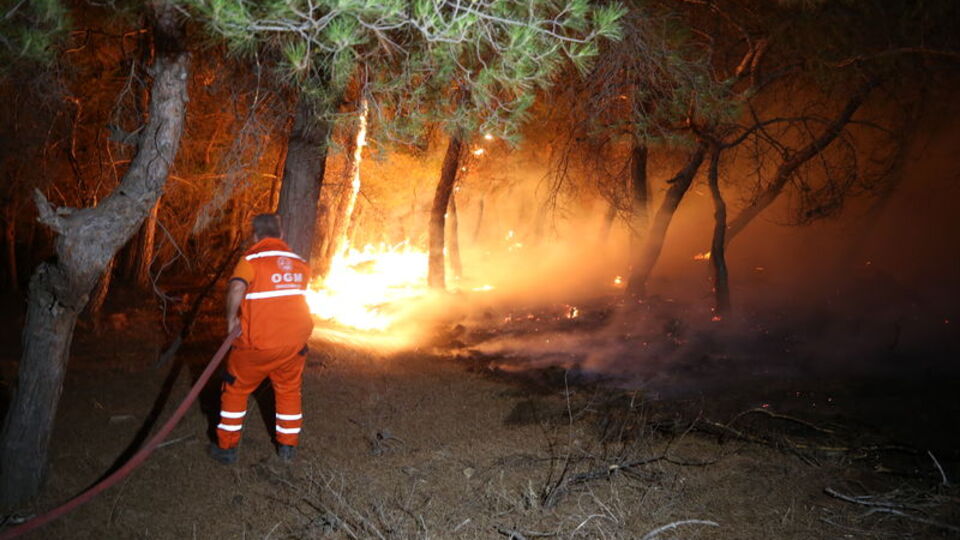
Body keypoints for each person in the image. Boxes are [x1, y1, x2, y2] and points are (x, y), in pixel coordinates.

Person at [209, 213, 314, 464]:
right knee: (288, 390)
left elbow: (237, 287)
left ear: (255, 235)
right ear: (281, 234)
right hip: (295, 344)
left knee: (235, 389)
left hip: (258, 345)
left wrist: (231, 319)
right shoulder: (301, 263)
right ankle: (287, 448)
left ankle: (227, 448)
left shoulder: (251, 260)